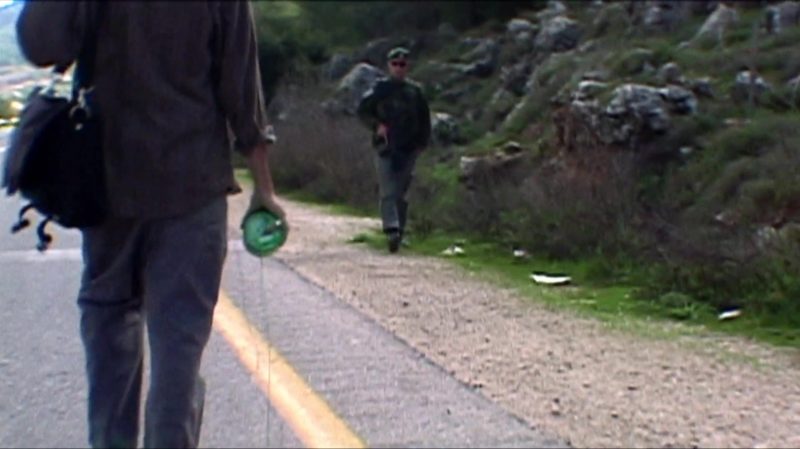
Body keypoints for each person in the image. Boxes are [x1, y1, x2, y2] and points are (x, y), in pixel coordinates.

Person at [16, 2, 285, 448]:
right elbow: (240, 85)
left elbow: (41, 46)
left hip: (109, 192)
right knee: (177, 356)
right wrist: (264, 188)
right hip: (190, 191)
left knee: (109, 348)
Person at [357, 46, 431, 253]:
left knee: (401, 192)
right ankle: (391, 229)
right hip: (386, 147)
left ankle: (400, 230)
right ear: (389, 66)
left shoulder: (415, 92)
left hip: (408, 148)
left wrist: (422, 143)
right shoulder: (380, 90)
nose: (399, 68)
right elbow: (363, 111)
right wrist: (376, 126)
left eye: (403, 64)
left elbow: (425, 120)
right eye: (395, 64)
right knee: (388, 189)